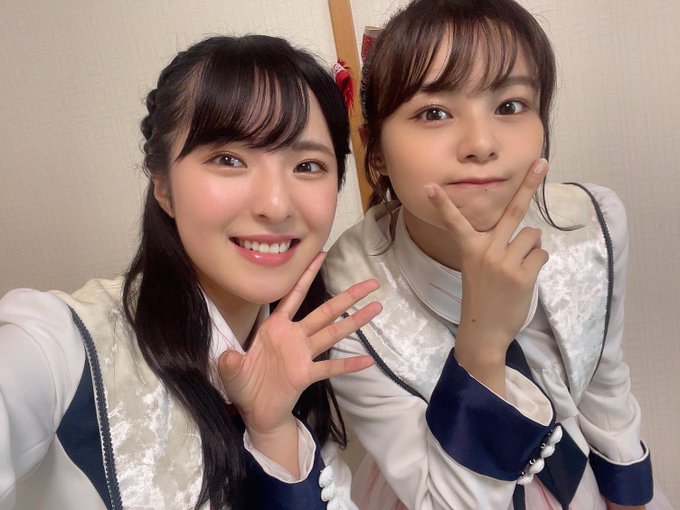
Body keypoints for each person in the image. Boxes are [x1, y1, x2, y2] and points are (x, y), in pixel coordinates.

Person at [0, 34, 382, 510]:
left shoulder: (304, 355)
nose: (276, 204)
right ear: (162, 185)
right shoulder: (55, 346)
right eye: (229, 159)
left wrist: (274, 432)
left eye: (307, 165)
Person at [323, 1, 672, 509]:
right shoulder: (348, 295)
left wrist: (630, 495)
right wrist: (483, 343)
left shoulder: (590, 226)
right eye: (434, 112)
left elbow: (602, 379)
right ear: (374, 150)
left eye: (509, 105)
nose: (482, 143)